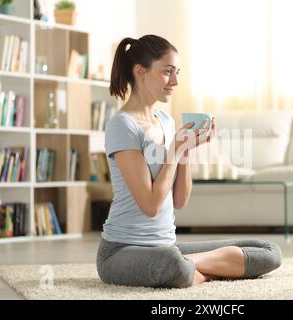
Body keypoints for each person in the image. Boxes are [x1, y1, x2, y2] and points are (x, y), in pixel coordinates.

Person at [96, 34, 282, 288]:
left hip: (167, 246)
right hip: (121, 252)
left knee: (268, 250)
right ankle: (206, 267)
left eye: (177, 73)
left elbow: (180, 200)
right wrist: (174, 149)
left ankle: (193, 266)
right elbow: (150, 205)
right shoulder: (123, 125)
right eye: (168, 72)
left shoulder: (166, 121)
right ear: (141, 71)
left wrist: (186, 151)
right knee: (173, 265)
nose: (175, 81)